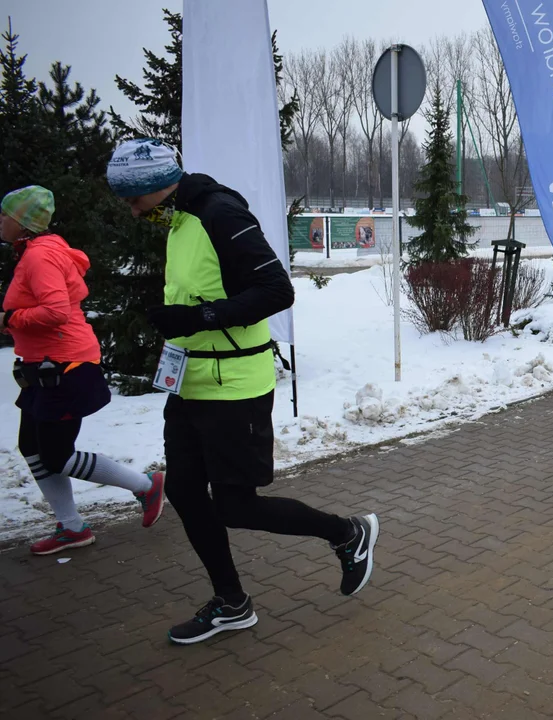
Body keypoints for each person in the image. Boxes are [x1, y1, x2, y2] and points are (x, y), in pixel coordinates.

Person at [106, 139, 378, 645]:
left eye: (131, 197)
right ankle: (232, 603)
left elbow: (277, 290)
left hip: (235, 386)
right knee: (185, 491)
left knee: (235, 506)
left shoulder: (219, 213)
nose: (129, 208)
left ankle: (347, 533)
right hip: (190, 383)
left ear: (152, 186)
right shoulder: (180, 220)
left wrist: (199, 317)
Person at [1, 186, 165, 555]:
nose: (0, 222)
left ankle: (146, 485)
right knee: (31, 446)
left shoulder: (39, 257)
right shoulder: (36, 252)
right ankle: (71, 527)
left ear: (21, 222)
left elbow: (56, 311)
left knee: (57, 454)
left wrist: (9, 319)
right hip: (44, 367)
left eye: (4, 215)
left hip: (65, 367)